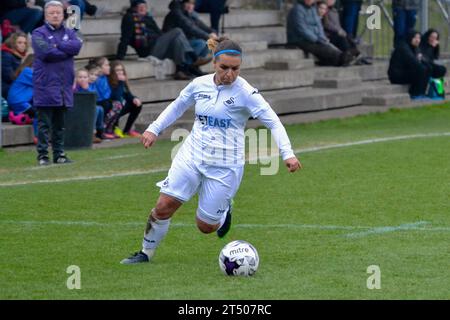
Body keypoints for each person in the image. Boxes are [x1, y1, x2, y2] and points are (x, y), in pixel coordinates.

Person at [120, 36, 302, 264]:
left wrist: (288, 153)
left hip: (225, 166)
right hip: (191, 156)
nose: (230, 74)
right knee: (163, 206)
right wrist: (154, 129)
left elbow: (273, 121)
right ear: (214, 63)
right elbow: (178, 105)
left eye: (235, 69)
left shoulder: (246, 92)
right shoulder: (199, 84)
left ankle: (224, 210)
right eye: (224, 67)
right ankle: (145, 253)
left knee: (205, 226)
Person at [32, 0, 82, 165]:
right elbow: (46, 53)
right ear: (46, 15)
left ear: (63, 14)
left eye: (58, 12)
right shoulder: (38, 33)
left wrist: (58, 45)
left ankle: (59, 154)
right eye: (52, 12)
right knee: (44, 125)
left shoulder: (70, 32)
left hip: (63, 87)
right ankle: (43, 156)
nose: (55, 15)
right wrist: (65, 50)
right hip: (45, 86)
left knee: (60, 125)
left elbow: (76, 47)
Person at [116, 0, 199, 80]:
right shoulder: (129, 18)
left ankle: (181, 70)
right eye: (139, 7)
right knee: (177, 31)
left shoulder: (148, 18)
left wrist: (168, 40)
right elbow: (125, 38)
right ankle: (193, 58)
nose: (143, 9)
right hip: (148, 51)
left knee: (177, 40)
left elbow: (159, 33)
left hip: (157, 46)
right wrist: (119, 57)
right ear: (133, 8)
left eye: (144, 6)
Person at [286, 0, 353, 67]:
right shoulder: (297, 9)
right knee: (321, 47)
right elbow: (302, 29)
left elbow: (319, 25)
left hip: (313, 37)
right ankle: (341, 58)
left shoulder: (312, 9)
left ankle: (343, 57)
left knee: (326, 43)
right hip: (299, 39)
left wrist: (322, 37)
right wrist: (316, 39)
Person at [163, 0, 217, 76]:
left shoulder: (189, 14)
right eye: (188, 3)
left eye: (192, 3)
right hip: (172, 45)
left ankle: (194, 67)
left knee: (207, 43)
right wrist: (207, 36)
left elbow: (202, 26)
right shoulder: (177, 14)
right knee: (201, 43)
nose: (190, 5)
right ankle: (184, 68)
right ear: (183, 4)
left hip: (185, 42)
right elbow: (190, 27)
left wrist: (213, 32)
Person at [388, 30, 436, 100]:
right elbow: (413, 62)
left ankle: (421, 93)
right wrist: (421, 62)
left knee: (428, 68)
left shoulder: (415, 48)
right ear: (410, 38)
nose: (417, 40)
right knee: (421, 70)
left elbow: (423, 60)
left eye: (419, 38)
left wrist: (427, 65)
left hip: (406, 72)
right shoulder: (404, 48)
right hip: (396, 76)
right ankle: (415, 94)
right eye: (415, 38)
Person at [108, 61, 142, 138]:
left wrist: (134, 98)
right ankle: (113, 129)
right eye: (117, 70)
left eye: (121, 70)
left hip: (121, 106)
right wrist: (120, 82)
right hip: (112, 108)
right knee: (118, 105)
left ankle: (127, 130)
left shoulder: (122, 82)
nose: (120, 72)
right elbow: (116, 97)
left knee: (137, 105)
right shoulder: (110, 81)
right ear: (112, 71)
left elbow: (127, 94)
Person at [73, 68, 105, 143]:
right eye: (80, 77)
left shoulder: (90, 87)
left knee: (100, 108)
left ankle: (100, 130)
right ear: (76, 78)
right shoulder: (75, 87)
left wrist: (87, 89)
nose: (82, 79)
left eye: (85, 77)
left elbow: (96, 98)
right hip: (76, 109)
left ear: (88, 78)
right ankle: (92, 133)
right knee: (96, 109)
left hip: (87, 109)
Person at [1, 32, 29, 98]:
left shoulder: (19, 55)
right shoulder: (6, 55)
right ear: (13, 44)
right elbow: (9, 77)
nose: (23, 45)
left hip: (16, 85)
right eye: (19, 42)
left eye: (25, 43)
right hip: (7, 87)